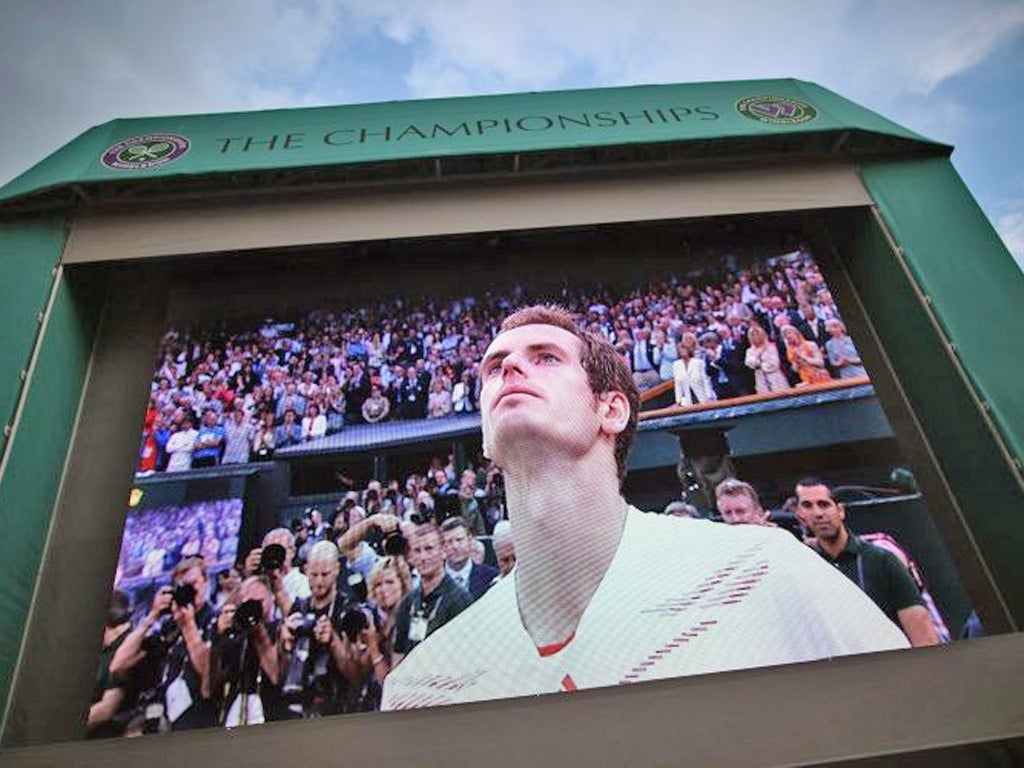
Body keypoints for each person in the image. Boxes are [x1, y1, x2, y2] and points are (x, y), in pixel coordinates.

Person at [382, 305, 908, 711]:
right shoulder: (423, 684)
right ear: (484, 437)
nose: (510, 367)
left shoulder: (766, 567)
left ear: (611, 409)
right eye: (494, 368)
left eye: (545, 357)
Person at [794, 478, 940, 648]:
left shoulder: (881, 559)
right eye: (807, 506)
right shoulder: (805, 567)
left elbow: (922, 632)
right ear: (800, 515)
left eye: (824, 504)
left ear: (840, 510)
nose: (818, 513)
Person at [109, 557, 217, 730]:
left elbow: (209, 674)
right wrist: (152, 616)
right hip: (160, 717)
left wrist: (188, 625)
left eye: (193, 584)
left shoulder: (215, 620)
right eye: (182, 587)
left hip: (197, 719)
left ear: (205, 582)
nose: (189, 591)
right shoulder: (169, 627)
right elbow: (118, 664)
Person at [389, 522, 473, 667]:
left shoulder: (460, 599)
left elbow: (465, 655)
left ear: (443, 551)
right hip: (410, 677)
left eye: (429, 549)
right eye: (417, 550)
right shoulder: (408, 601)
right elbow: (398, 653)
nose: (423, 557)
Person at [441, 516, 499, 600]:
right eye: (449, 541)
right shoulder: (432, 581)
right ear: (442, 546)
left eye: (459, 540)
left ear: (470, 540)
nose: (455, 546)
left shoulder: (491, 577)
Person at [744, 325, 790, 394]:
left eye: (757, 334)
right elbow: (749, 363)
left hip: (775, 378)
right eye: (753, 335)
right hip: (760, 379)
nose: (755, 337)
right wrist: (758, 359)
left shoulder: (771, 347)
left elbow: (774, 364)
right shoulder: (750, 351)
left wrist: (759, 365)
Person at [672, 338, 714, 407]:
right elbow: (678, 385)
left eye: (684, 349)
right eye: (680, 350)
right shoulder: (676, 365)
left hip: (702, 397)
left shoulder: (698, 363)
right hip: (688, 401)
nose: (682, 351)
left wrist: (709, 397)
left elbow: (705, 381)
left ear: (689, 350)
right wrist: (678, 401)